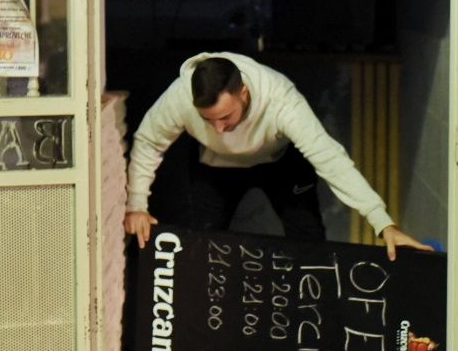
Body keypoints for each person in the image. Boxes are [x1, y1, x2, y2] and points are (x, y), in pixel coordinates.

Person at [124, 53, 432, 262]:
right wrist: (136, 205)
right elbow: (149, 142)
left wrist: (384, 223)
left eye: (225, 117)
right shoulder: (181, 97)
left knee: (308, 239)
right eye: (209, 120)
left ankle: (313, 319)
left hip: (279, 161)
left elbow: (331, 160)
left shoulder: (282, 101)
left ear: (244, 93)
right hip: (215, 166)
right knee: (203, 243)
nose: (219, 127)